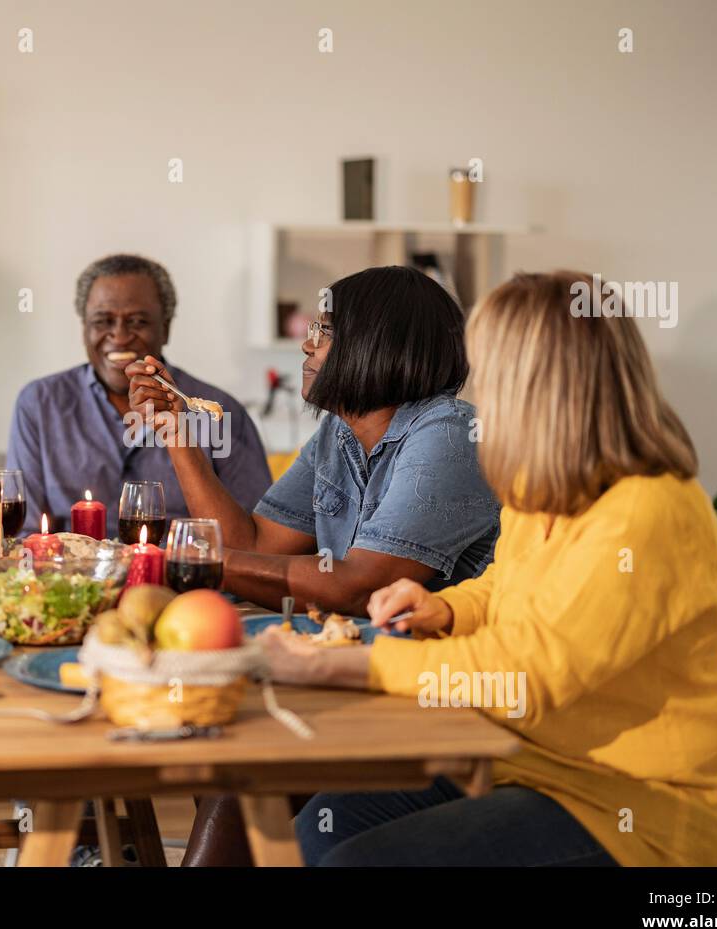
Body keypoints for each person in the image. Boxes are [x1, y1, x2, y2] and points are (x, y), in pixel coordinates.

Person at [259, 271, 717, 867]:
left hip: (630, 809)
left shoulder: (645, 510)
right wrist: (448, 606)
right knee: (316, 837)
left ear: (540, 383)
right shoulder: (548, 488)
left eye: (494, 368)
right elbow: (506, 585)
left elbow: (526, 677)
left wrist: (356, 663)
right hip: (516, 761)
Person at [128, 264, 501, 865]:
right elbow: (253, 543)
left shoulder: (451, 436)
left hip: (440, 704)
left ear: (375, 344)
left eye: (323, 332)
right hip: (359, 679)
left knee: (238, 769)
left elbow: (359, 588)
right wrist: (177, 433)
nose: (306, 343)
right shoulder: (341, 434)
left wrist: (195, 562)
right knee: (224, 761)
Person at [7, 253, 271, 535]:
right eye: (102, 321)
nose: (119, 336)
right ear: (84, 328)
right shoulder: (39, 404)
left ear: (166, 328)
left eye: (137, 322)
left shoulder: (219, 413)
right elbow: (25, 533)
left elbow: (254, 540)